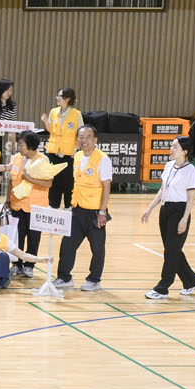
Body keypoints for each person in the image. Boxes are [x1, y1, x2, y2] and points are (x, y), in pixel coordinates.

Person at [138, 136, 195, 300]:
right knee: (172, 249)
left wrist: (184, 219)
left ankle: (163, 287)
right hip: (165, 210)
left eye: (175, 147)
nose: (171, 149)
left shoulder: (191, 171)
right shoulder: (168, 166)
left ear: (185, 151)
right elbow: (162, 190)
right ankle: (192, 280)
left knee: (171, 252)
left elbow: (191, 197)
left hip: (179, 211)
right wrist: (150, 208)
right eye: (171, 146)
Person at [55, 125, 113, 292]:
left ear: (95, 140)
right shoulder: (78, 156)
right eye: (81, 137)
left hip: (95, 211)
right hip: (77, 208)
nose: (84, 140)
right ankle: (64, 277)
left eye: (88, 137)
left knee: (97, 248)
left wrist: (102, 211)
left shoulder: (103, 159)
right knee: (67, 244)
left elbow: (106, 187)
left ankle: (94, 280)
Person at [43, 87, 83, 207]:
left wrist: (76, 149)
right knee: (54, 180)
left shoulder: (76, 114)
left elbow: (80, 134)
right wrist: (45, 122)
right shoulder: (53, 112)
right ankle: (53, 205)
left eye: (60, 96)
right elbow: (51, 130)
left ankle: (68, 206)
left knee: (68, 181)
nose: (57, 98)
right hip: (54, 151)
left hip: (69, 153)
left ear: (67, 99)